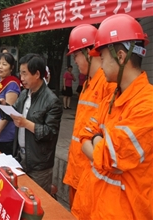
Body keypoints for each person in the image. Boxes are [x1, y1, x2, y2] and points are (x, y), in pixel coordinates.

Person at [78, 14, 153, 219]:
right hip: (97, 207)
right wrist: (98, 139)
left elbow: (112, 159)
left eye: (102, 58)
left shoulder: (147, 105)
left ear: (121, 57)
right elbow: (84, 136)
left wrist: (96, 138)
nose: (100, 65)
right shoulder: (112, 96)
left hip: (124, 212)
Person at [62, 24, 116, 210]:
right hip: (77, 167)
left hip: (91, 169)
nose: (75, 61)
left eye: (76, 55)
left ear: (87, 52)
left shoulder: (107, 84)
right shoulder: (88, 84)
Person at [10, 53, 63, 194]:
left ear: (37, 74)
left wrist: (26, 123)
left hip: (39, 164)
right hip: (21, 158)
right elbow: (14, 111)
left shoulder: (52, 101)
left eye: (25, 74)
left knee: (38, 202)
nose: (21, 79)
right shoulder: (24, 94)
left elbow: (50, 132)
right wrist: (4, 107)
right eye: (20, 74)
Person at [0, 53, 21, 155]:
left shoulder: (12, 85)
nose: (0, 66)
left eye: (4, 64)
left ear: (11, 68)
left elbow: (8, 113)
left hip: (3, 136)